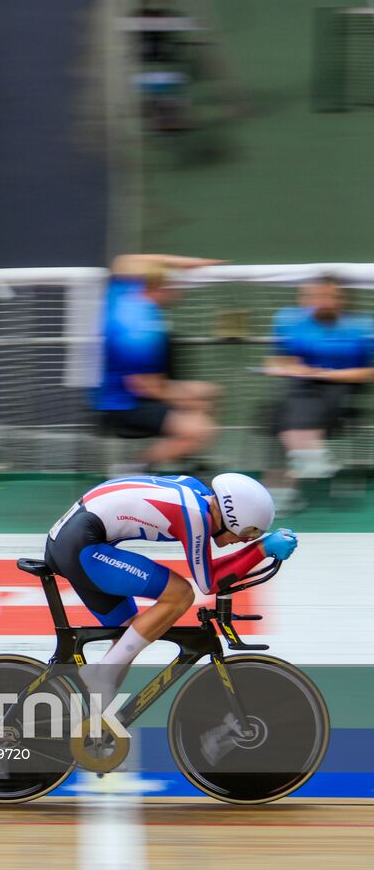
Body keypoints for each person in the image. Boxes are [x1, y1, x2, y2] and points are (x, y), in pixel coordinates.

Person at [43, 472, 296, 715]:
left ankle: (97, 735)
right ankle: (102, 675)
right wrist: (261, 550)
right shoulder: (195, 516)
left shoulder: (198, 493)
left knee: (132, 634)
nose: (244, 541)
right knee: (180, 594)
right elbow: (209, 583)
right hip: (81, 547)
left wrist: (261, 547)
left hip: (74, 541)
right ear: (232, 517)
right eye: (247, 533)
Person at [94, 253, 225, 472]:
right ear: (158, 287)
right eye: (173, 285)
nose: (178, 291)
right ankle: (134, 468)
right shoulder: (137, 328)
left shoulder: (123, 293)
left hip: (142, 392)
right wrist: (188, 401)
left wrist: (188, 263)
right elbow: (144, 386)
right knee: (200, 429)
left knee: (209, 392)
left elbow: (125, 261)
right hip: (124, 405)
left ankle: (184, 460)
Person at [264, 276, 374, 510]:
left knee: (292, 406)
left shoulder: (362, 325)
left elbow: (368, 372)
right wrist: (297, 369)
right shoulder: (289, 320)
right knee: (286, 401)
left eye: (329, 296)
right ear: (304, 300)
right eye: (315, 297)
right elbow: (275, 362)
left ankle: (289, 478)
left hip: (343, 388)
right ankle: (309, 456)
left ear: (340, 299)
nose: (322, 302)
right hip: (302, 386)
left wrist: (327, 375)